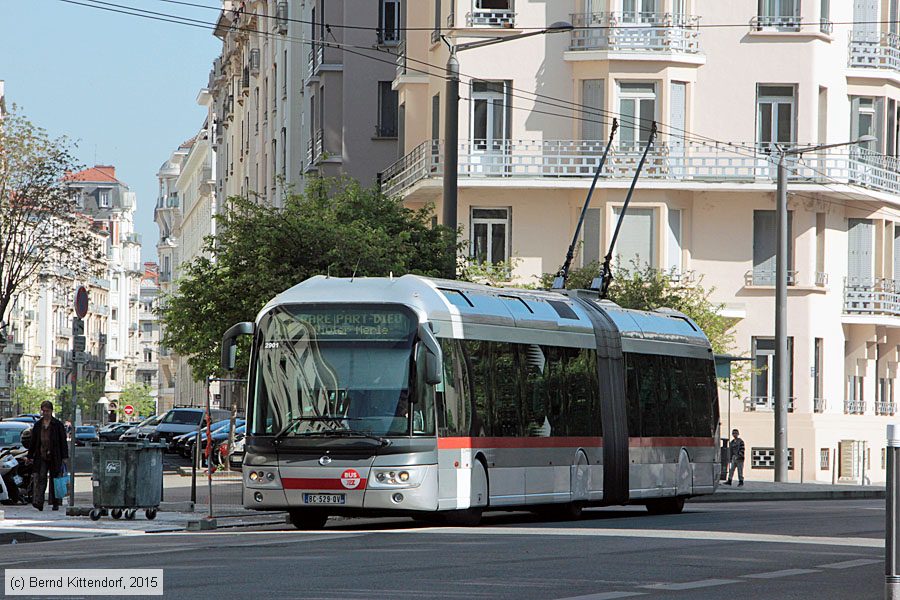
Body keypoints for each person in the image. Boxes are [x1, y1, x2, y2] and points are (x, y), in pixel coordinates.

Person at [27, 401, 69, 511]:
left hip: (55, 456)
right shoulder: (38, 425)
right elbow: (33, 442)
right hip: (41, 455)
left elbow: (63, 442)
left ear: (51, 411)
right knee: (41, 478)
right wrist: (30, 456)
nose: (45, 413)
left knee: (55, 479)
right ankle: (39, 502)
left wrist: (65, 457)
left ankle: (55, 502)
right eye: (44, 411)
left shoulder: (57, 425)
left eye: (47, 411)